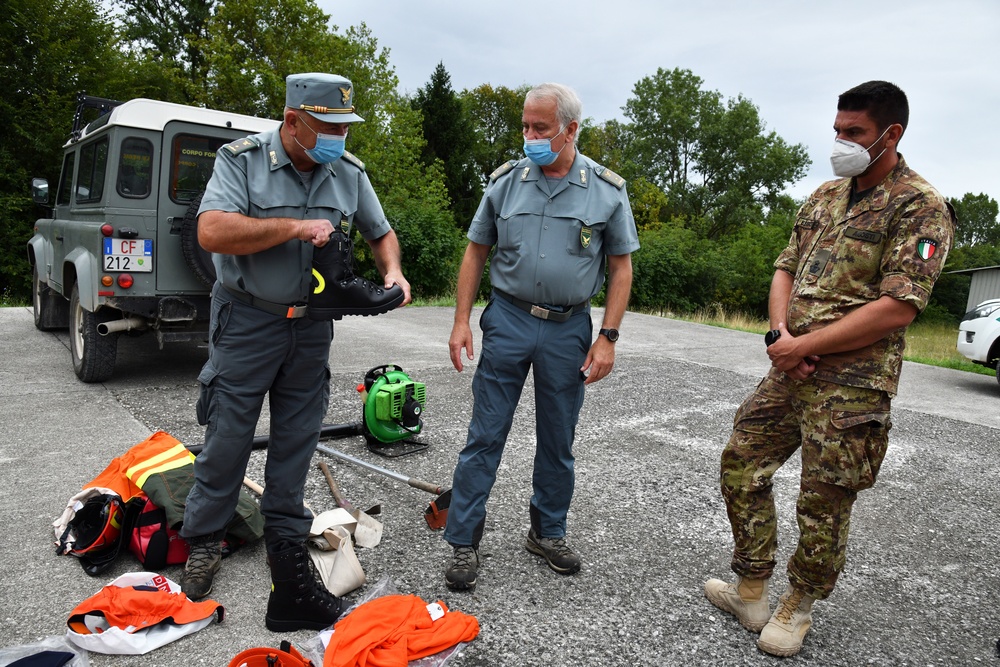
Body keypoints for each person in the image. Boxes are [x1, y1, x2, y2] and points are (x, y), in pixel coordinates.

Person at [704, 81, 954, 657]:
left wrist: (808, 344)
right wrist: (780, 337)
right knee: (742, 463)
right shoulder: (824, 196)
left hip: (852, 386)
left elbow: (899, 306)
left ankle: (800, 604)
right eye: (838, 130)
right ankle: (750, 588)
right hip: (791, 367)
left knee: (824, 497)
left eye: (855, 133)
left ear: (891, 134)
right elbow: (785, 268)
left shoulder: (921, 206)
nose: (840, 141)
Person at [179, 73, 411, 632]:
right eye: (328, 127)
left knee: (298, 435)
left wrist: (393, 273)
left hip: (311, 328)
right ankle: (206, 538)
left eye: (344, 128)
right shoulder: (243, 161)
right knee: (229, 433)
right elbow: (211, 230)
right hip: (246, 317)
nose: (338, 138)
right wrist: (293, 228)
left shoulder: (347, 173)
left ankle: (284, 535)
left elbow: (381, 233)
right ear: (292, 121)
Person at [444, 82, 640, 591]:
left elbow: (621, 269)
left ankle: (547, 532)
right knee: (484, 435)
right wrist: (462, 320)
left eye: (541, 128)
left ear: (571, 130)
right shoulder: (506, 182)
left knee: (558, 440)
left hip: (568, 328)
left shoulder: (606, 190)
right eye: (525, 126)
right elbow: (474, 253)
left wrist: (608, 337)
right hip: (507, 319)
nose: (529, 136)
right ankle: (464, 540)